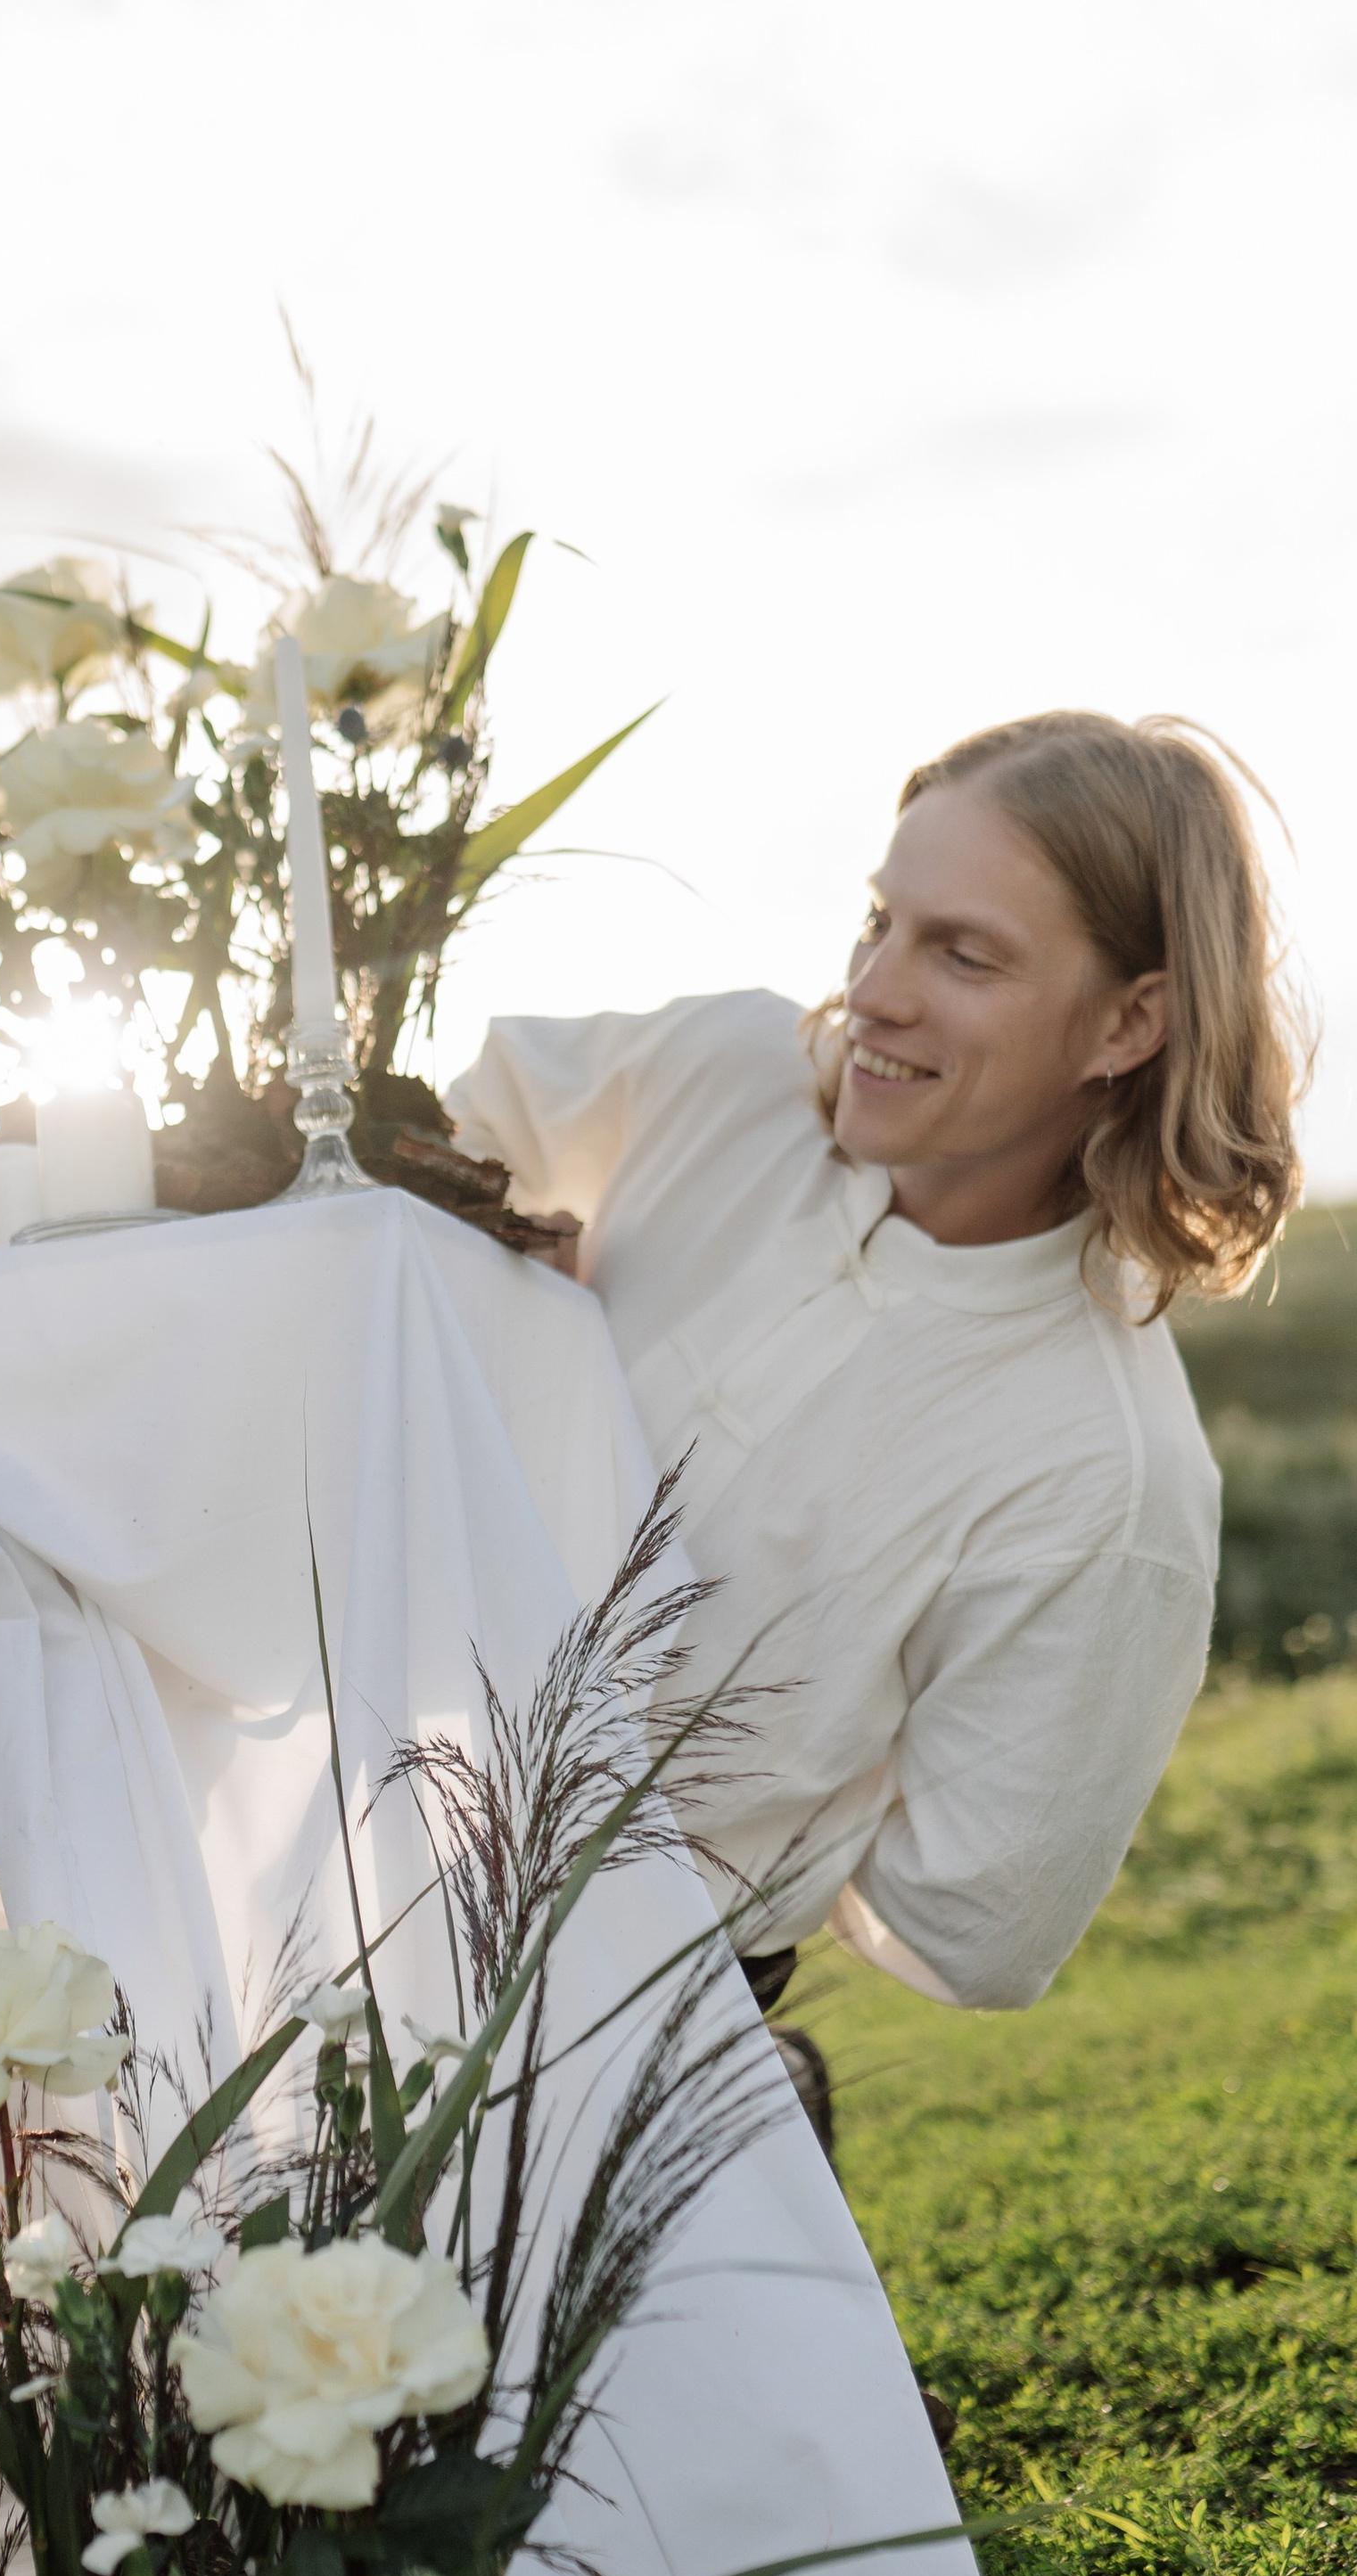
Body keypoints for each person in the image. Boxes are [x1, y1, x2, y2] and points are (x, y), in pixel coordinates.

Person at [448, 711, 1304, 2095]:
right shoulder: (720, 1080)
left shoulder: (1105, 1472)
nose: (875, 994)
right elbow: (417, 1142)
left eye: (963, 955)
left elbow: (979, 1924)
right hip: (291, 1842)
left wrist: (775, 1791)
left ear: (1129, 1021)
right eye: (880, 923)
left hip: (600, 2044)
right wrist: (481, 1247)